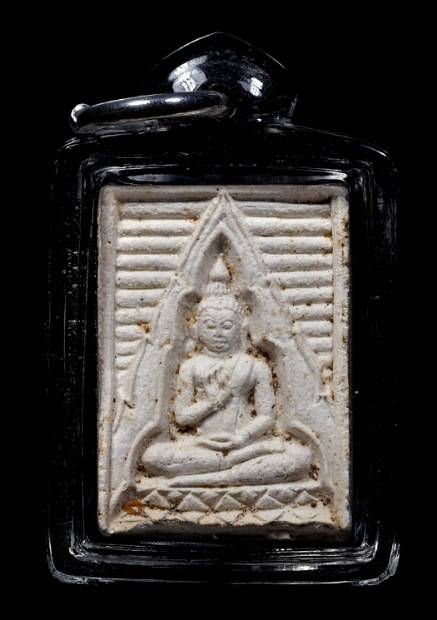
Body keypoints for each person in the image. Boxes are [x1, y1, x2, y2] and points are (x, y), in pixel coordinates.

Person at [142, 256, 314, 487]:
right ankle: (232, 470)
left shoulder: (255, 366)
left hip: (246, 445)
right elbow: (181, 417)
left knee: (300, 458)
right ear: (196, 329)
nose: (218, 333)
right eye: (210, 326)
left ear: (241, 327)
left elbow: (266, 416)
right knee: (152, 457)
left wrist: (241, 437)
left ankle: (215, 474)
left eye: (226, 326)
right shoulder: (191, 366)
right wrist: (213, 403)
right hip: (203, 446)